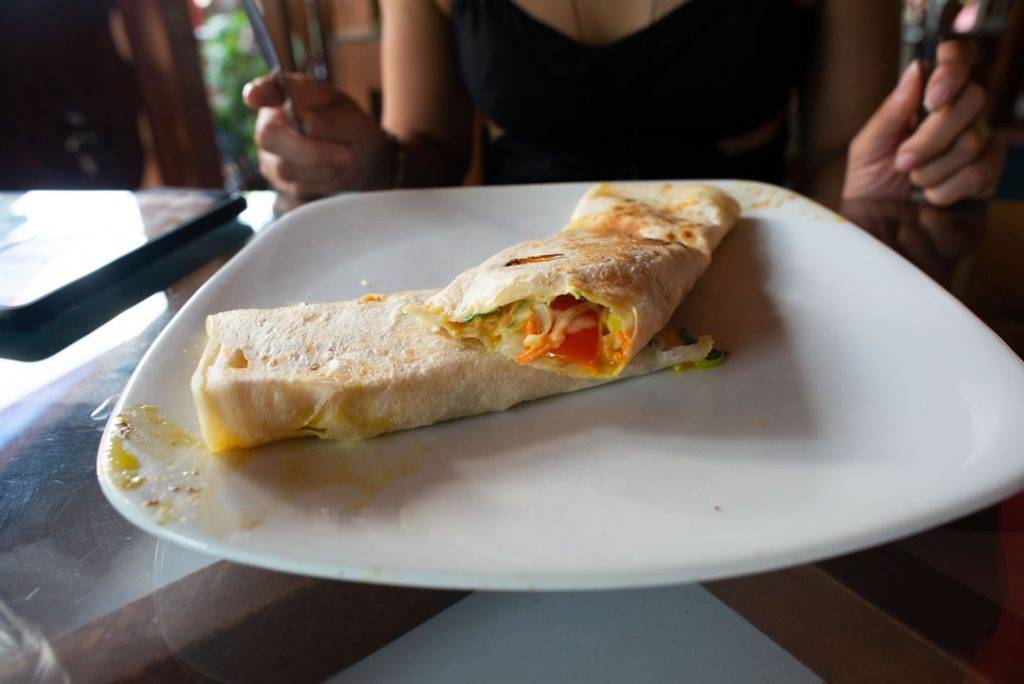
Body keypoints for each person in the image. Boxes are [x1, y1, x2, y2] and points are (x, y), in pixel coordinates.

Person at [242, 0, 1008, 206]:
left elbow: (845, 157)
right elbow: (427, 156)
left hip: (753, 302)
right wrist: (365, 167)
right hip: (514, 306)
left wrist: (903, 174)